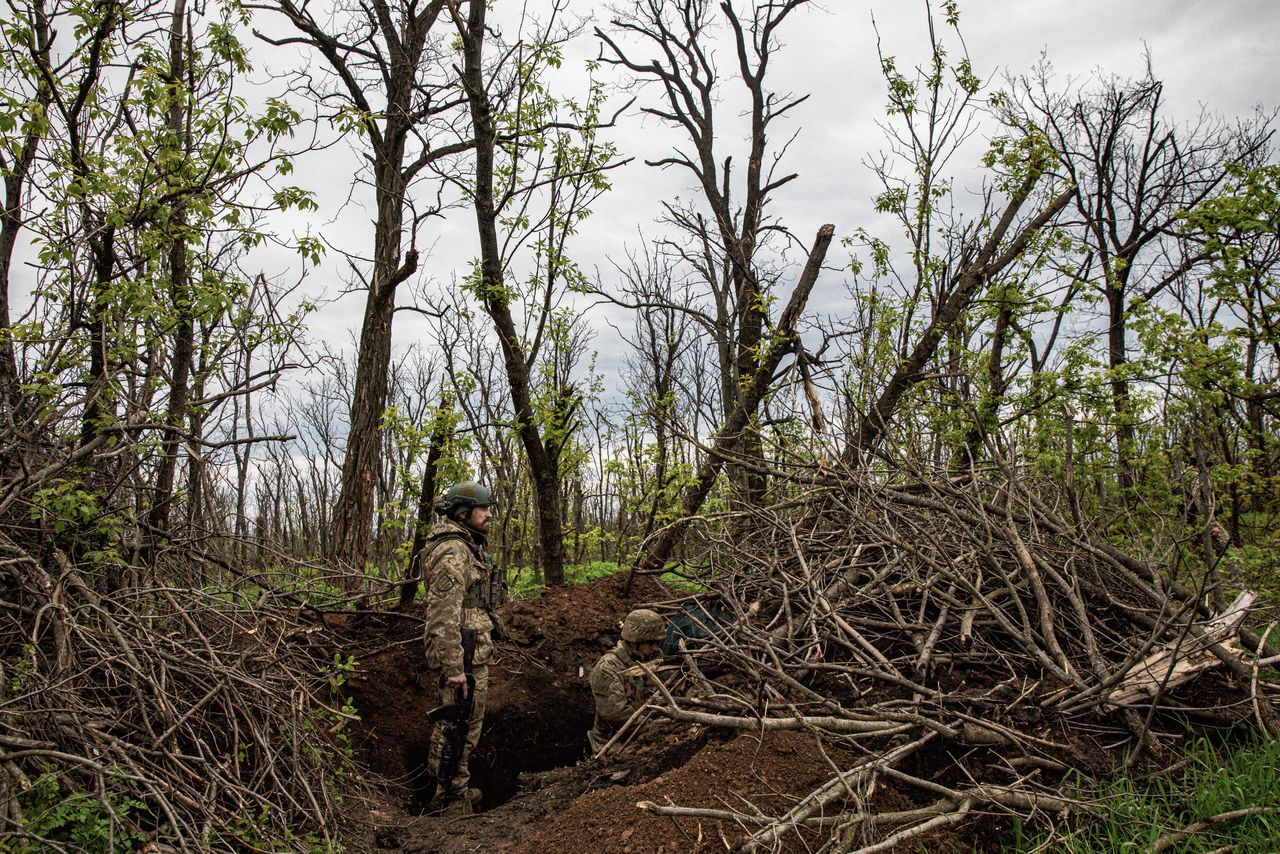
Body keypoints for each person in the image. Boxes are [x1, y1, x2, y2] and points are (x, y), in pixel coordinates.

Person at [420, 480, 499, 815]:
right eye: (483, 508)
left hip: (471, 650)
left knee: (467, 723)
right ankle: (449, 800)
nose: (489, 514)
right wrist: (454, 669)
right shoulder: (453, 551)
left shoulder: (467, 546)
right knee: (457, 726)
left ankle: (456, 788)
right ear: (463, 512)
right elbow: (441, 615)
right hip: (462, 655)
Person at [588, 608, 666, 751]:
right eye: (650, 643)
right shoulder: (608, 668)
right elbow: (616, 713)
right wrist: (657, 727)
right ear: (634, 642)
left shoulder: (651, 658)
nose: (655, 648)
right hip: (616, 743)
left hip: (646, 731)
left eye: (658, 643)